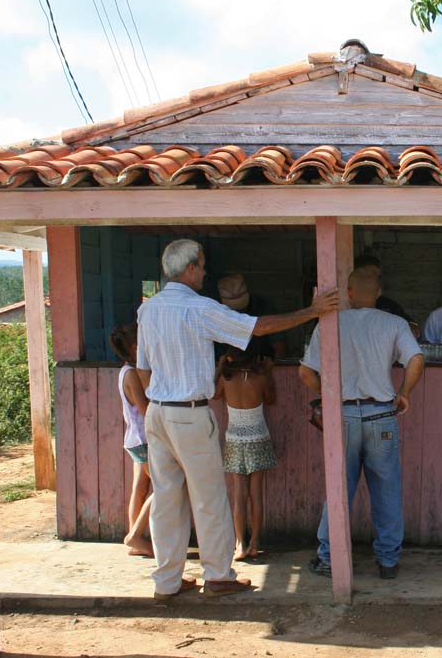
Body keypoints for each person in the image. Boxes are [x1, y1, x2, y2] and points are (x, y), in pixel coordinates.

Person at [137, 238, 338, 599]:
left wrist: (159, 404)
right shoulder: (198, 308)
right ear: (191, 268)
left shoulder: (148, 311)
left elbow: (142, 370)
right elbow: (256, 327)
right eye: (201, 264)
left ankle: (167, 581)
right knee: (209, 497)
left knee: (166, 498)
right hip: (189, 414)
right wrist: (311, 312)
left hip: (158, 412)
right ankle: (218, 575)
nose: (205, 271)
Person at [299, 267, 425, 579]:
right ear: (379, 294)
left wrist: (328, 393)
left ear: (350, 293)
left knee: (339, 489)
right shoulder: (394, 323)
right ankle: (388, 561)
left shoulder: (330, 324)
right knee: (387, 490)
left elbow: (305, 373)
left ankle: (328, 557)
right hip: (381, 414)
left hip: (342, 415)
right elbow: (416, 359)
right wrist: (404, 393)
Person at [214, 342, 277, 561]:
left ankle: (239, 544)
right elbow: (271, 399)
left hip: (234, 438)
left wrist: (220, 367)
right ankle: (254, 543)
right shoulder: (259, 378)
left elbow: (213, 395)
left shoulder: (226, 379)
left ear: (230, 357)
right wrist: (268, 372)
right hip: (258, 437)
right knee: (255, 493)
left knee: (239, 494)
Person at [108, 323, 153, 558]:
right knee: (167, 487)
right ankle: (135, 535)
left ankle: (135, 539)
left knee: (140, 488)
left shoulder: (125, 371)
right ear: (135, 347)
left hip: (134, 438)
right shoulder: (134, 374)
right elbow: (145, 409)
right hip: (145, 439)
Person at [218, 273, 287, 358]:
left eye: (241, 308)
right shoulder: (216, 313)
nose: (239, 312)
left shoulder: (263, 307)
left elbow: (279, 343)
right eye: (235, 310)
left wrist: (276, 363)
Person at [352, 254, 420, 338]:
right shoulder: (342, 314)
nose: (374, 281)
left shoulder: (389, 306)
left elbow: (410, 324)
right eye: (369, 277)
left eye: (378, 277)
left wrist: (412, 326)